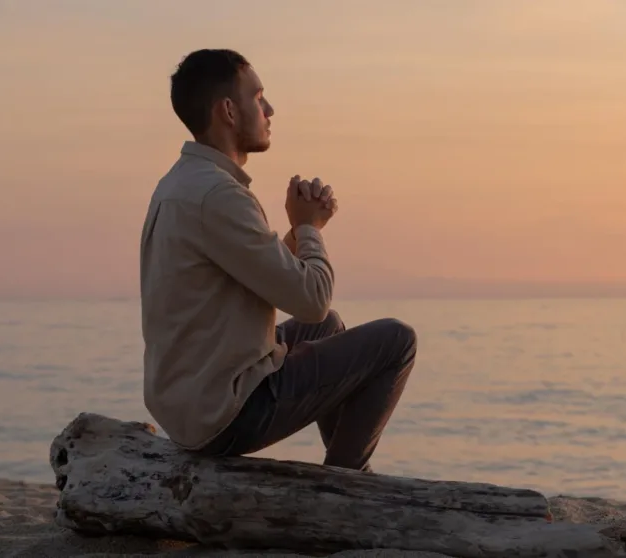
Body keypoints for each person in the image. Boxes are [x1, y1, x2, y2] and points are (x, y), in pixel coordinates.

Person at [138, 48, 417, 472]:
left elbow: (255, 271)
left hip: (190, 404)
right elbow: (311, 297)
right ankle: (344, 486)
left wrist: (298, 231)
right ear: (229, 111)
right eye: (258, 97)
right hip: (225, 415)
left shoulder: (180, 183)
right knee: (396, 340)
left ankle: (346, 468)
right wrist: (309, 229)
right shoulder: (219, 195)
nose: (270, 109)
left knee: (325, 329)